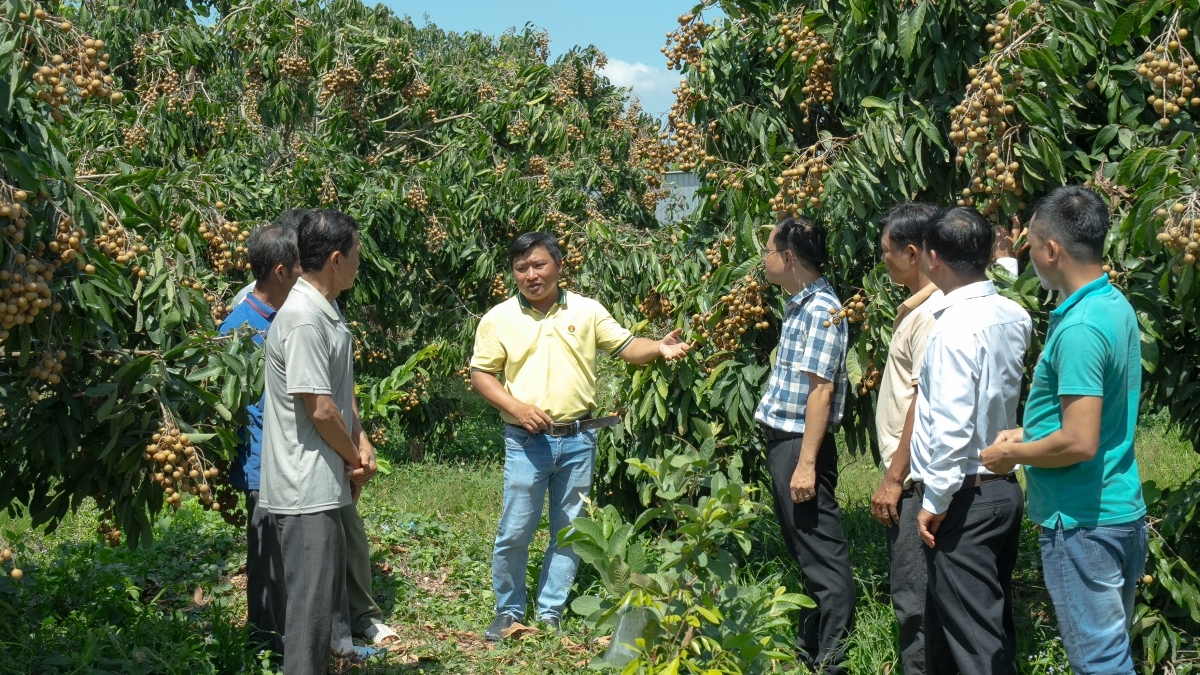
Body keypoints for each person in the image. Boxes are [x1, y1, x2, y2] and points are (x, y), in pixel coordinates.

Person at [469, 232, 690, 641]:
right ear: (513, 274)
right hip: (525, 440)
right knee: (516, 528)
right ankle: (508, 610)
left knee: (568, 531)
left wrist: (658, 347)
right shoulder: (498, 318)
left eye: (539, 265)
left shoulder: (587, 311)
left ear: (558, 265)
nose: (531, 275)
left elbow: (626, 346)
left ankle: (551, 610)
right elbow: (481, 374)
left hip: (578, 439)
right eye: (521, 268)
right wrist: (517, 408)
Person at [982, 186, 1147, 674]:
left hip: (1080, 523)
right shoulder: (1111, 303)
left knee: (1100, 661)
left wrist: (1014, 456)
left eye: (1030, 243)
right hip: (1117, 508)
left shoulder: (1080, 329)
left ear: (1051, 250)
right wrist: (1025, 436)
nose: (1027, 253)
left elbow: (1079, 440)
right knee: (1112, 651)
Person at [911, 206, 1032, 675]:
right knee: (984, 628)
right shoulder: (1013, 315)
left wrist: (935, 499)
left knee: (980, 647)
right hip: (1002, 490)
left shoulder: (952, 329)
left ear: (933, 258)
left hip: (965, 496)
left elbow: (953, 424)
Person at [260, 209, 377, 674]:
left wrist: (360, 440)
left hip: (320, 482)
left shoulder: (322, 312)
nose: (357, 265)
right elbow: (321, 408)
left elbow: (338, 396)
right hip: (304, 488)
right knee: (309, 619)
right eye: (355, 256)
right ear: (334, 258)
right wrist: (355, 460)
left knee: (318, 609)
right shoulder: (306, 319)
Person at [756, 216, 854, 675]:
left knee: (823, 555)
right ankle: (812, 648)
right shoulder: (801, 305)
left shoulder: (820, 311)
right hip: (790, 444)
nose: (765, 259)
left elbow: (821, 392)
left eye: (769, 251)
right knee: (807, 552)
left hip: (800, 445)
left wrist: (806, 464)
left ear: (789, 257)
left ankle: (832, 659)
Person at [866, 203, 951, 675]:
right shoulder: (920, 308)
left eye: (886, 252)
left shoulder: (931, 314)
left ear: (914, 252)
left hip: (918, 481)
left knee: (916, 606)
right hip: (916, 477)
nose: (882, 260)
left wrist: (894, 478)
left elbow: (924, 400)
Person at [219, 217, 304, 657]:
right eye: (300, 266)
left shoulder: (279, 316)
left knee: (286, 557)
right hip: (264, 464)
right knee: (267, 561)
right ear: (280, 272)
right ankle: (265, 647)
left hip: (287, 460)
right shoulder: (241, 327)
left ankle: (285, 639)